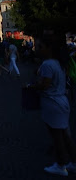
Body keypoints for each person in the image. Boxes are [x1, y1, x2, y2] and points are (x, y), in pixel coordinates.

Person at [28, 34, 76, 176]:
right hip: (61, 101)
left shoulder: (48, 64)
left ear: (48, 48)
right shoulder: (58, 63)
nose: (37, 49)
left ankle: (61, 165)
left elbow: (45, 84)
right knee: (66, 136)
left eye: (40, 46)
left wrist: (33, 86)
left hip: (53, 103)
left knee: (57, 137)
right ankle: (73, 162)